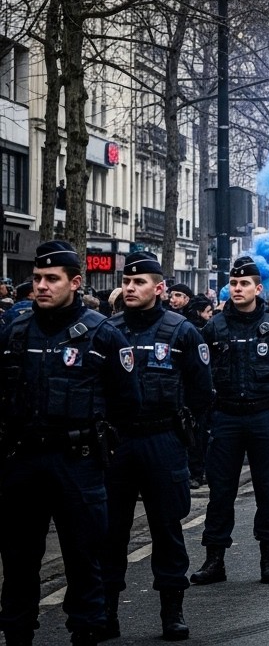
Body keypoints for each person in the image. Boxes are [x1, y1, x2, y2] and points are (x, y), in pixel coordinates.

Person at [0, 241, 141, 646]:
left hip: (77, 463)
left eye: (51, 279)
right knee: (18, 558)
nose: (41, 286)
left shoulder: (103, 334)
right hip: (22, 461)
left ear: (75, 283)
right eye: (37, 279)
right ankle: (17, 632)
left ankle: (87, 630)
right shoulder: (13, 330)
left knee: (84, 556)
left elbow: (127, 402)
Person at [101, 252, 212, 641]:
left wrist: (184, 432)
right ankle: (106, 611)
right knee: (110, 530)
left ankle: (172, 611)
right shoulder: (107, 330)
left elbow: (202, 392)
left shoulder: (181, 331)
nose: (130, 288)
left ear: (160, 288)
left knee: (166, 528)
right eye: (127, 283)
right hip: (118, 442)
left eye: (140, 282)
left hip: (162, 439)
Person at [191, 256, 269, 587]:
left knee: (267, 490)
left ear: (258, 288)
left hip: (264, 417)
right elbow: (200, 374)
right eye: (233, 283)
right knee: (220, 492)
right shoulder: (214, 328)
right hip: (225, 418)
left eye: (244, 284)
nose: (237, 288)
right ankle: (215, 561)